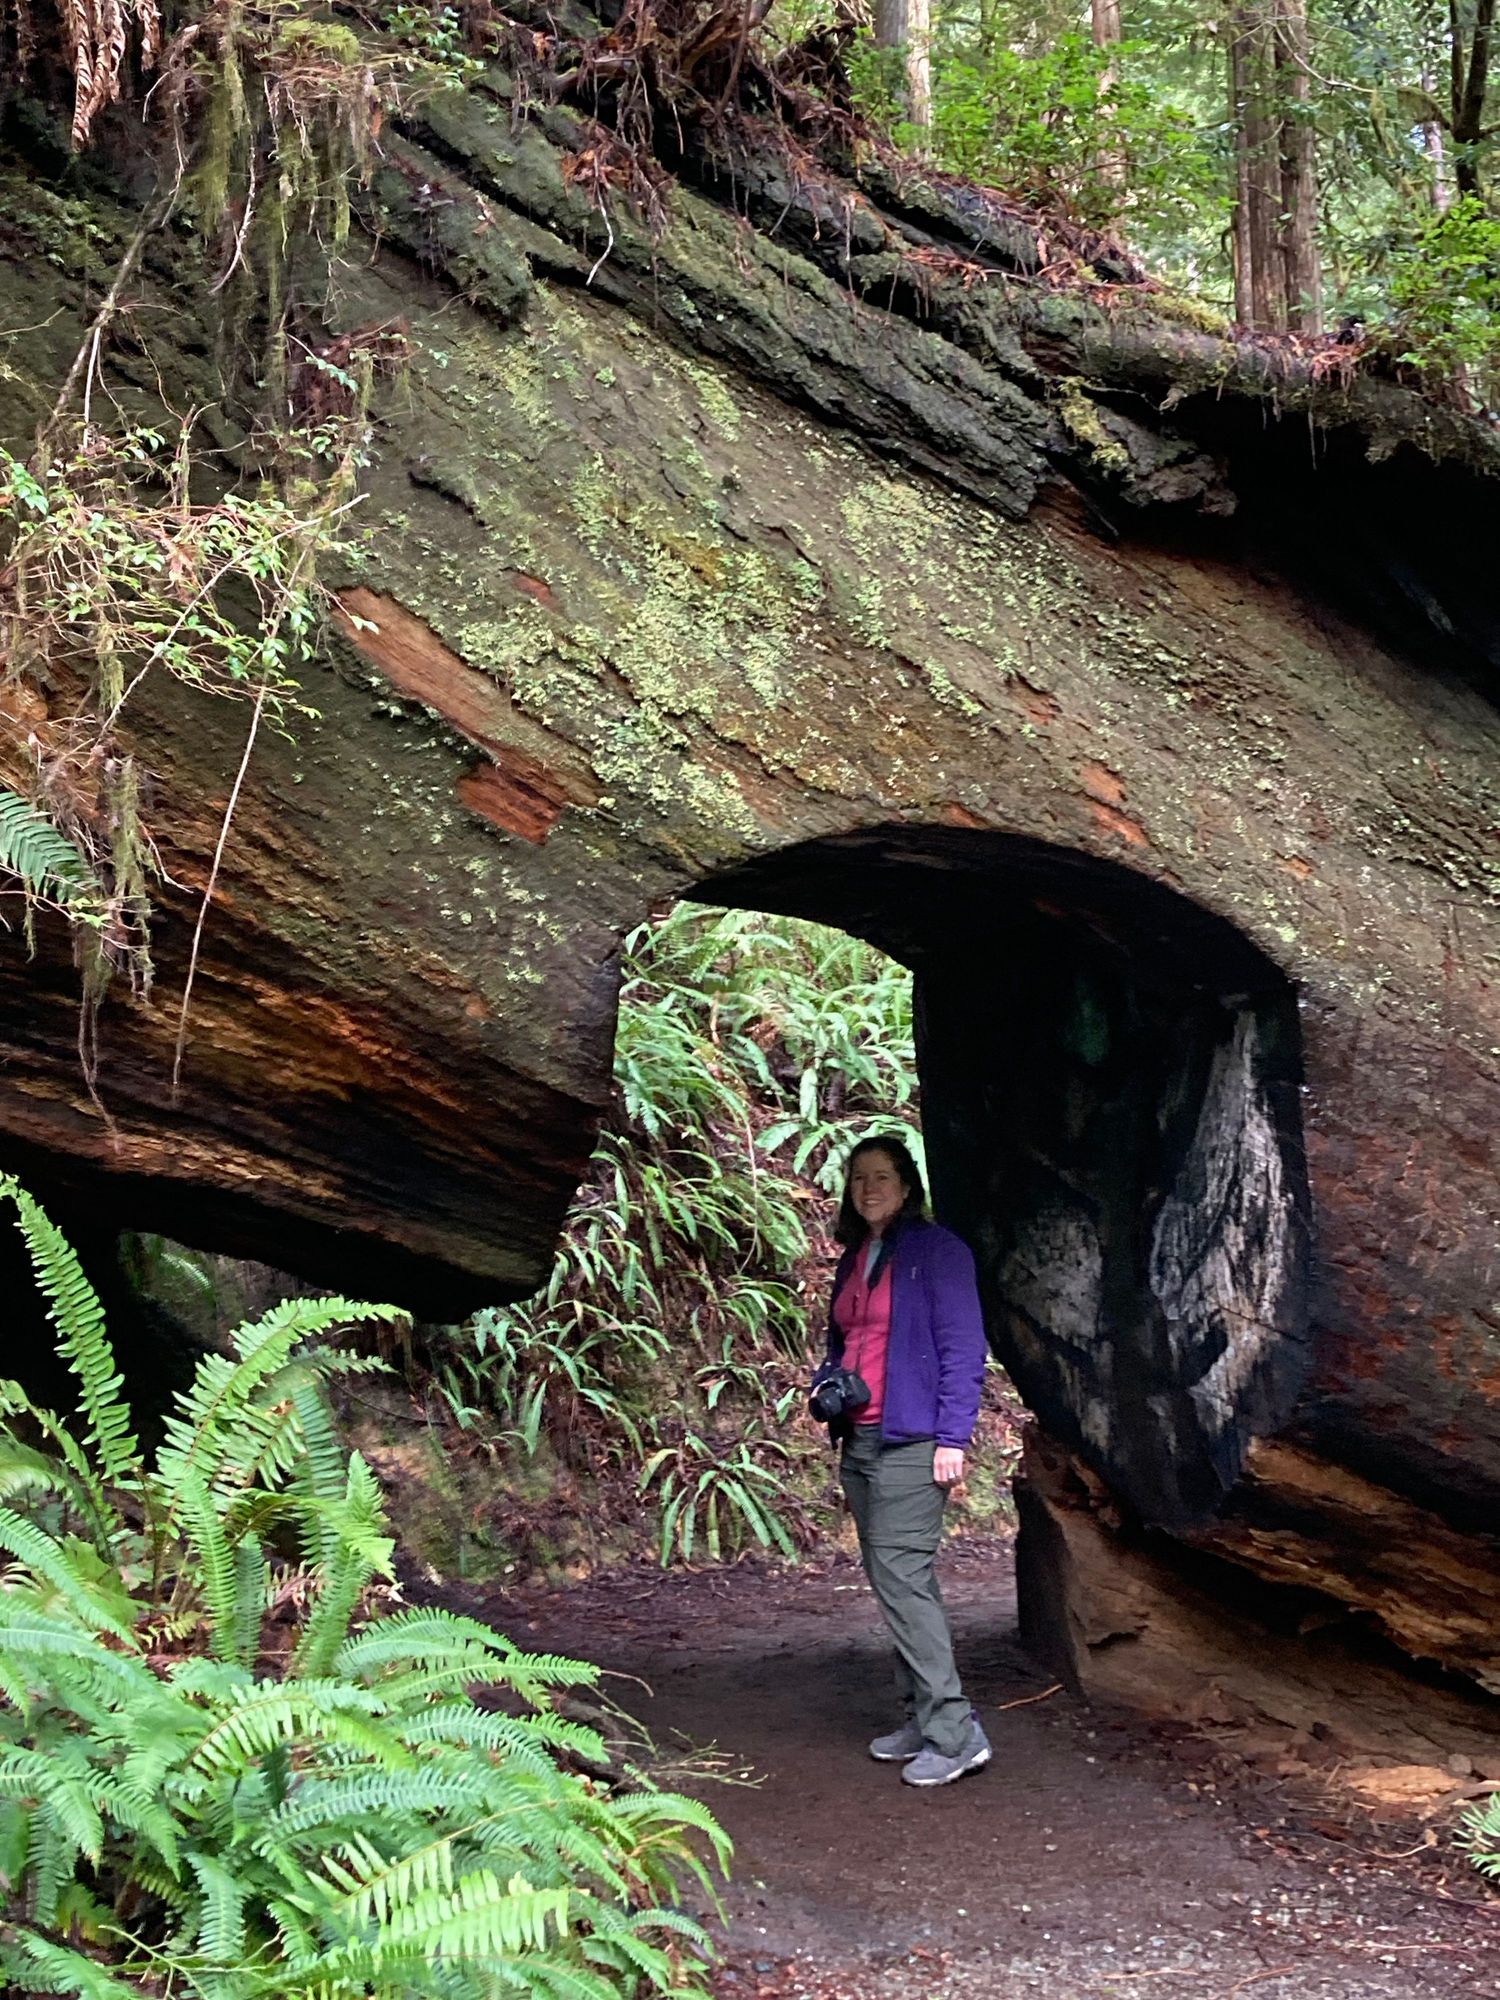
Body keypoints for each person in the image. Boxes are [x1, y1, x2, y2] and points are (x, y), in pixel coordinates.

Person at [822, 1134, 991, 1788]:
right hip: (861, 1438)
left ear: (907, 1184)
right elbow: (843, 1342)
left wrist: (953, 1438)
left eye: (882, 1176)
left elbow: (962, 1348)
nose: (869, 1189)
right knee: (895, 1580)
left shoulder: (939, 1252)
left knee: (902, 1576)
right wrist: (827, 1384)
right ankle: (923, 1717)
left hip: (914, 1440)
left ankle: (956, 1733)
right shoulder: (856, 1255)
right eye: (859, 1177)